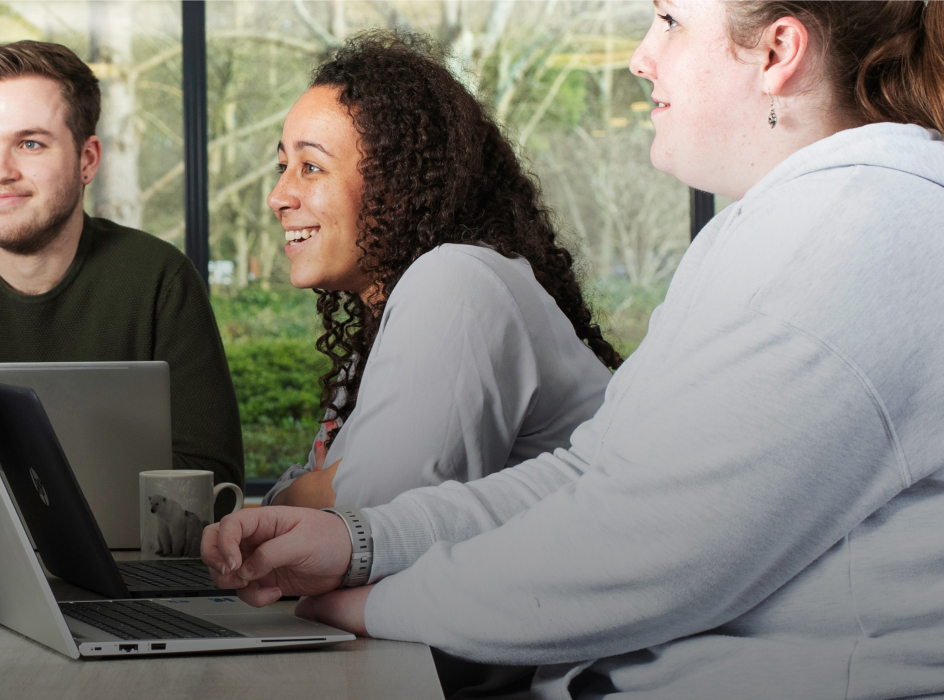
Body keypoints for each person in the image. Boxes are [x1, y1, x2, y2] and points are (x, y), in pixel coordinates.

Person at [203, 1, 944, 697]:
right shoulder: (770, 229)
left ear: (779, 51)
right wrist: (358, 542)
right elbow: (593, 474)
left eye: (668, 21)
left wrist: (371, 603)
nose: (640, 58)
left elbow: (643, 553)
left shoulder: (855, 231)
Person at [0, 40, 244, 509]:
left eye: (29, 144)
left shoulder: (159, 279)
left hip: (127, 569)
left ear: (87, 160)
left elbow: (213, 481)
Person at [260, 33, 620, 513]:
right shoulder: (377, 337)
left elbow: (370, 528)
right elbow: (294, 505)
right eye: (283, 166)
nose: (278, 196)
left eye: (311, 167)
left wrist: (325, 488)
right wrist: (324, 485)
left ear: (396, 185)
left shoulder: (456, 284)